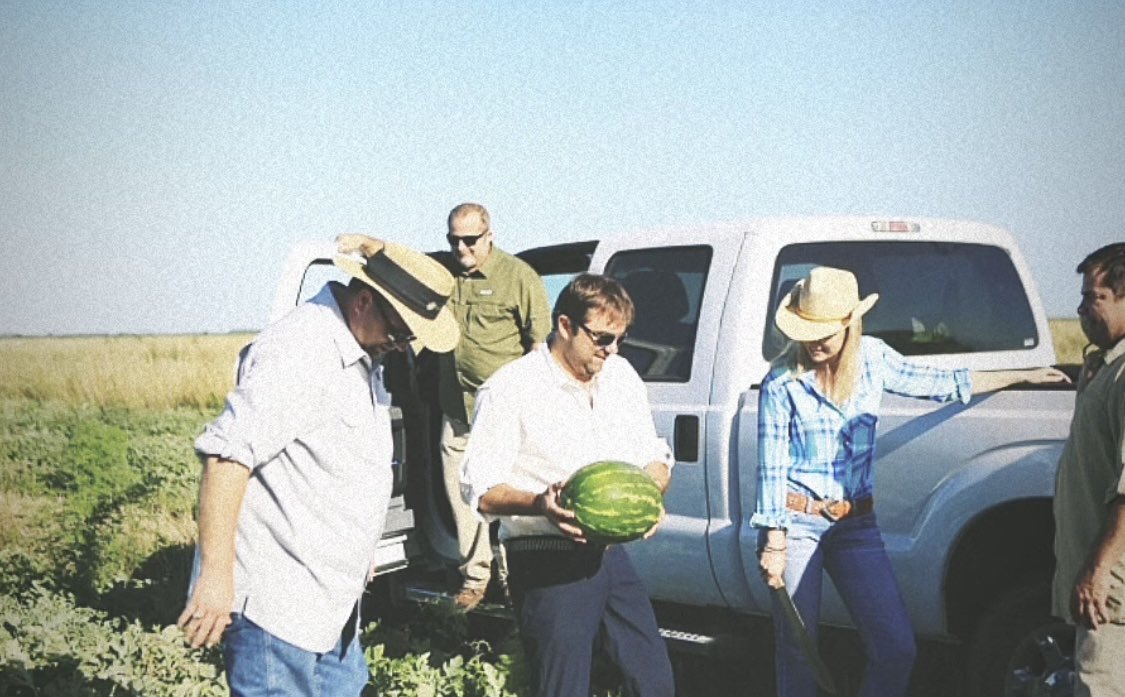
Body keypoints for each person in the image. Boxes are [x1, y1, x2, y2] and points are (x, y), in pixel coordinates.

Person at [751, 266, 1068, 697]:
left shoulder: (874, 358)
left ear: (850, 324)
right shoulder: (781, 382)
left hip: (856, 526)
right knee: (799, 650)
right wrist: (774, 541)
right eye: (808, 330)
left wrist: (1020, 375)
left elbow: (941, 383)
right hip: (796, 524)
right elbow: (771, 464)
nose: (815, 341)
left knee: (896, 647)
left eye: (825, 330)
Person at [178, 239, 459, 697]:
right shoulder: (300, 351)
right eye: (400, 331)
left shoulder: (366, 350)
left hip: (331, 596)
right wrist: (216, 576)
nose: (402, 344)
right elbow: (227, 459)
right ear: (364, 300)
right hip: (279, 601)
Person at [461, 273, 675, 697]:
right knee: (563, 688)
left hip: (610, 555)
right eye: (600, 338)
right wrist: (540, 503)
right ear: (565, 325)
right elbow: (480, 488)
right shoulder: (511, 387)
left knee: (652, 682)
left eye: (620, 339)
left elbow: (653, 453)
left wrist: (651, 492)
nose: (611, 350)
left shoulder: (621, 375)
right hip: (546, 557)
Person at [437, 202, 552, 610]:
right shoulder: (442, 273)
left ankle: (515, 578)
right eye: (454, 240)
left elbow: (541, 350)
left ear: (490, 235)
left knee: (508, 496)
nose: (461, 248)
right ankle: (475, 577)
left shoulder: (520, 278)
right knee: (461, 495)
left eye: (470, 240)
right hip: (457, 410)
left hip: (504, 414)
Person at [1053, 242, 1125, 697]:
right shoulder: (1105, 366)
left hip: (1112, 594)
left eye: (1094, 298)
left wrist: (1096, 571)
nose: (1081, 310)